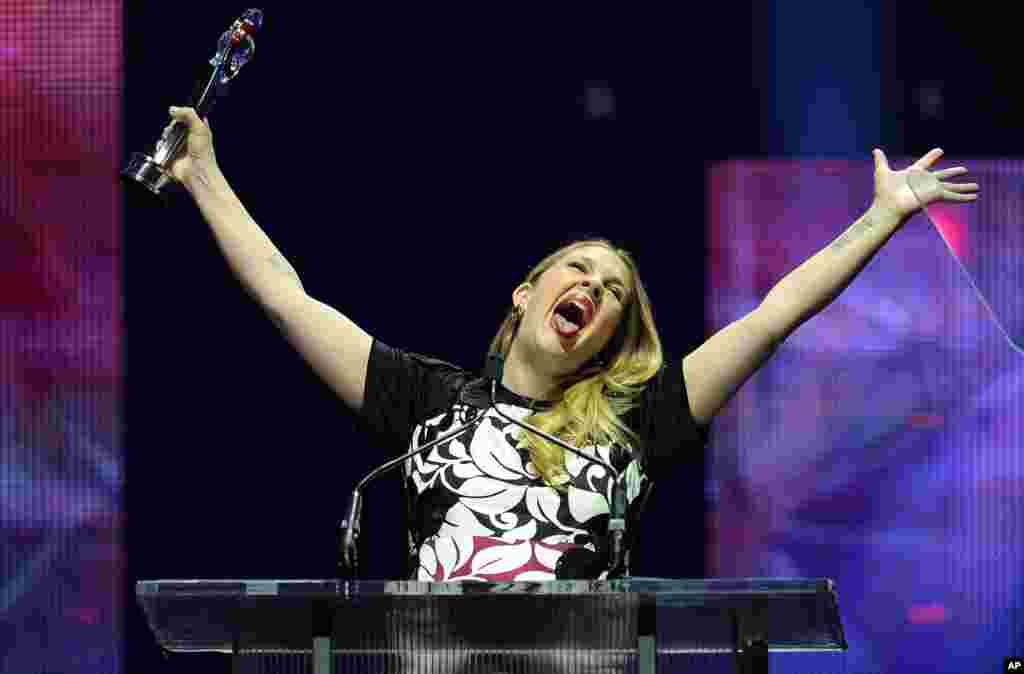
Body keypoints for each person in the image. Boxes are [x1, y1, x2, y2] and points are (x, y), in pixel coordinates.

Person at [164, 106, 978, 583]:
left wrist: (882, 218)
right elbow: (285, 294)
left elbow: (770, 319)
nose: (593, 288)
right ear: (526, 295)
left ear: (609, 337)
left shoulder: (635, 422)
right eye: (578, 271)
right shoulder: (428, 406)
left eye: (614, 291)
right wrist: (203, 176)